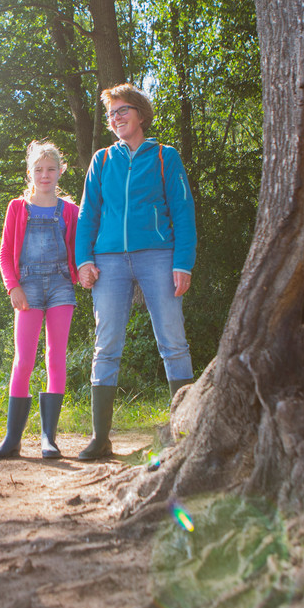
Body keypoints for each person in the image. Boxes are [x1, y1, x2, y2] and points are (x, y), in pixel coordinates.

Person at [74, 83, 197, 460]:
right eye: (111, 114)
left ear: (140, 113)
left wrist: (183, 262)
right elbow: (87, 214)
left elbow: (183, 210)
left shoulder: (164, 156)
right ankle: (100, 439)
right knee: (106, 345)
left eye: (122, 110)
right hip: (108, 259)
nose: (116, 118)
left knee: (172, 342)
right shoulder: (102, 161)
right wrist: (84, 260)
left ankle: (186, 433)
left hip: (158, 255)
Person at [0, 141, 79, 460]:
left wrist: (83, 274)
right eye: (39, 169)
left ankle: (48, 438)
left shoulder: (70, 210)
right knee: (23, 360)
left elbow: (80, 250)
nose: (45, 175)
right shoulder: (17, 208)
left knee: (55, 357)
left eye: (51, 169)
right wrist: (12, 286)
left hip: (60, 288)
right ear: (30, 173)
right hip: (26, 288)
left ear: (60, 172)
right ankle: (12, 438)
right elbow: (4, 254)